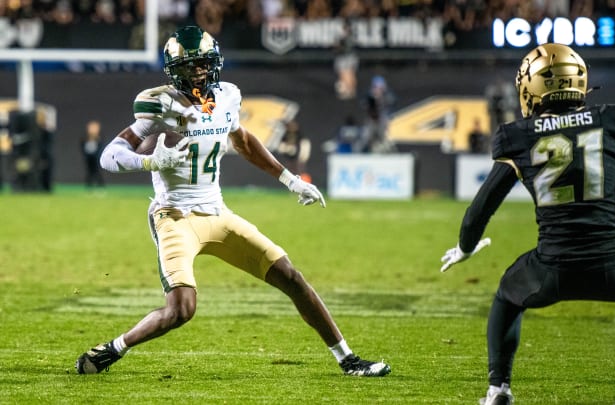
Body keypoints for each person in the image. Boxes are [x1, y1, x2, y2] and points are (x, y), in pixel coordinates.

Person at [75, 26, 390, 378]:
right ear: (174, 70)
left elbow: (242, 140)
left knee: (290, 276)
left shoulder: (226, 96)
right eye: (191, 65)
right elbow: (109, 155)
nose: (199, 71)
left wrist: (289, 179)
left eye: (203, 64)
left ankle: (348, 359)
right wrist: (149, 161)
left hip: (217, 212)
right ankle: (115, 348)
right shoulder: (160, 103)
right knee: (181, 310)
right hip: (174, 216)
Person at [439, 43, 615, 405]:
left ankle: (499, 389)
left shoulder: (518, 136)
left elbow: (481, 208)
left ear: (534, 90)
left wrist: (465, 246)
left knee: (507, 297)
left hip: (551, 267)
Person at [360, 75, 396, 153]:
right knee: (366, 137)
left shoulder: (387, 96)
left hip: (382, 120)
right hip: (371, 121)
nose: (378, 90)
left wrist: (380, 99)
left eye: (380, 87)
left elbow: (390, 103)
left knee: (383, 138)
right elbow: (364, 105)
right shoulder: (369, 96)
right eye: (376, 87)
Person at [80, 119, 105, 188]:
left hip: (96, 158)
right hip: (88, 158)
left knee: (97, 172)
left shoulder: (99, 139)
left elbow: (101, 148)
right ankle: (89, 186)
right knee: (89, 172)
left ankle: (100, 186)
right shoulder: (85, 138)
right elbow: (82, 147)